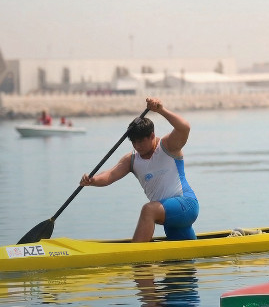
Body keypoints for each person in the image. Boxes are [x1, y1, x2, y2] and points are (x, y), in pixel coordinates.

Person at [79, 97, 199, 242]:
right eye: (134, 142)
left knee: (148, 210)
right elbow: (110, 175)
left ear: (152, 136)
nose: (137, 146)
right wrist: (92, 180)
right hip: (169, 215)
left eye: (141, 141)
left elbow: (184, 127)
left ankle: (135, 254)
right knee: (186, 253)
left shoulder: (168, 146)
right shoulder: (131, 160)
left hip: (186, 204)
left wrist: (161, 110)